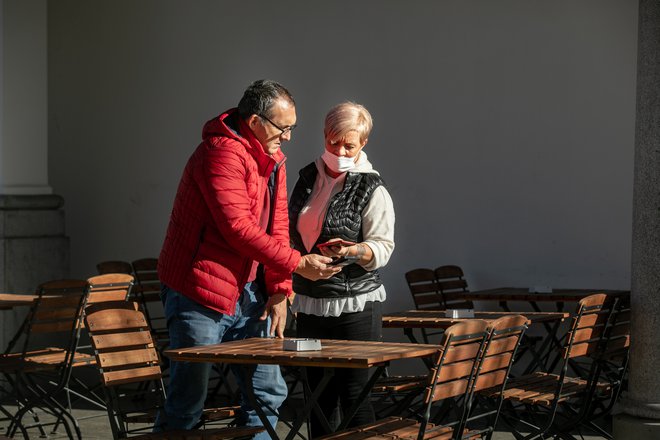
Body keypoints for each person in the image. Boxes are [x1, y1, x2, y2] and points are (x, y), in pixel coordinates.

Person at [155, 79, 340, 436]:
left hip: (250, 293)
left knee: (267, 392)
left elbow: (278, 226)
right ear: (255, 122)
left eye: (292, 128)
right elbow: (236, 228)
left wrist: (280, 289)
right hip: (199, 292)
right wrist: (298, 263)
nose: (288, 136)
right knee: (188, 401)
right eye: (283, 127)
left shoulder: (273, 158)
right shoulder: (219, 152)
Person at [288, 101, 396, 436]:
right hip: (310, 299)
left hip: (356, 303)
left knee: (354, 397)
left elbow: (383, 247)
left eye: (349, 144)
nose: (340, 150)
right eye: (334, 141)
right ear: (324, 135)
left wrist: (354, 250)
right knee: (317, 400)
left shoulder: (371, 187)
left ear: (363, 143)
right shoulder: (307, 178)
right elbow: (287, 230)